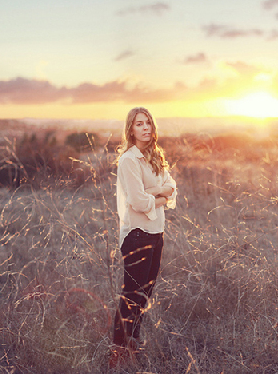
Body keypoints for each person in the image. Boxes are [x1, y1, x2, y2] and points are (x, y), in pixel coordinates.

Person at [109, 107, 176, 366]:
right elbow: (137, 201)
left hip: (156, 232)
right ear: (131, 129)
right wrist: (160, 196)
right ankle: (116, 351)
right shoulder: (129, 160)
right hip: (137, 234)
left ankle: (132, 344)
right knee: (131, 295)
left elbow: (172, 188)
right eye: (139, 124)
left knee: (145, 293)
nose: (146, 128)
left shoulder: (156, 156)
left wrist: (155, 193)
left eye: (148, 123)